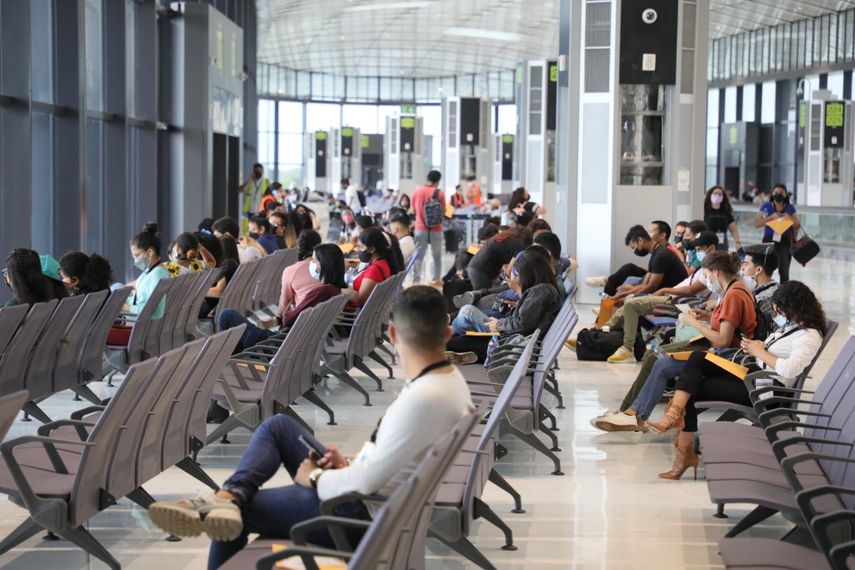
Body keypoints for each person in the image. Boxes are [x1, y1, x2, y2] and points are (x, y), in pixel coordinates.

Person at [148, 286, 473, 569]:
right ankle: (229, 493)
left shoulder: (421, 399)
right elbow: (395, 457)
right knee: (278, 427)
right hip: (374, 498)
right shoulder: (448, 383)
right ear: (446, 334)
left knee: (238, 513)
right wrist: (349, 463)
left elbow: (369, 481)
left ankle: (229, 499)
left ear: (392, 335)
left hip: (357, 515)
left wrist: (316, 477)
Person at [646, 281, 825, 480]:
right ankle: (675, 419)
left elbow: (790, 369)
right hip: (754, 375)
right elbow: (774, 353)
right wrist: (758, 347)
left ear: (793, 308)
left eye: (779, 310)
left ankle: (682, 448)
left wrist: (760, 351)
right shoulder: (793, 327)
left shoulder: (809, 336)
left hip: (765, 390)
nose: (777, 314)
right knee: (697, 359)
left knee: (691, 388)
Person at [591, 250, 757, 433]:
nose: (707, 279)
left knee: (663, 365)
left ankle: (635, 415)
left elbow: (724, 340)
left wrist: (694, 323)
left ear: (716, 272)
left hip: (727, 358)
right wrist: (708, 317)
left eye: (707, 275)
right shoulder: (736, 290)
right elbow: (731, 326)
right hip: (724, 353)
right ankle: (633, 413)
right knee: (659, 360)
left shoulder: (733, 295)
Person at [598, 231, 719, 363]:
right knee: (629, 304)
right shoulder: (702, 268)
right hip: (674, 298)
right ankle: (602, 332)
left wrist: (664, 290)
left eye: (699, 249)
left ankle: (625, 347)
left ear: (711, 248)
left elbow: (690, 290)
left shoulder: (712, 270)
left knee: (631, 304)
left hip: (678, 301)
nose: (697, 252)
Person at [218, 242, 346, 353]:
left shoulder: (320, 292)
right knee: (234, 326)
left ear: (323, 264)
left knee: (227, 315)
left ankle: (226, 361)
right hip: (295, 344)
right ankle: (232, 357)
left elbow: (287, 320)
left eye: (313, 260)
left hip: (281, 345)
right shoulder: (334, 290)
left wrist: (288, 311)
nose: (310, 264)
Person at [446, 248, 561, 364]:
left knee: (464, 318)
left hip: (507, 342)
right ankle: (456, 342)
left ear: (527, 274)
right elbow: (526, 320)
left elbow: (522, 324)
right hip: (509, 337)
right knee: (463, 326)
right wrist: (517, 306)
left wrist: (498, 324)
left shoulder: (540, 292)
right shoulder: (543, 290)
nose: (514, 278)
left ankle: (452, 338)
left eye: (516, 274)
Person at [107, 223, 172, 346]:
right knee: (117, 287)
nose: (135, 260)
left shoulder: (156, 275)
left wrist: (123, 306)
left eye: (137, 255)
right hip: (143, 326)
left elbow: (150, 310)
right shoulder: (154, 271)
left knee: (96, 335)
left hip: (139, 330)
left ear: (149, 253)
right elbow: (140, 288)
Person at [595, 225, 688, 300]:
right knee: (623, 295)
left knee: (628, 300)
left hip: (675, 296)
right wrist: (625, 293)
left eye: (634, 247)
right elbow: (645, 285)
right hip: (664, 292)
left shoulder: (661, 255)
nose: (635, 251)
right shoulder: (655, 254)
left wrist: (626, 295)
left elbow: (651, 287)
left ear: (640, 241)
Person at [348, 227, 403, 307]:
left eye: (361, 247)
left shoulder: (374, 270)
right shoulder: (383, 263)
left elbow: (360, 299)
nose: (359, 250)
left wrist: (341, 290)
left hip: (353, 311)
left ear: (372, 249)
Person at [755, 183, 799, 283]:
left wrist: (789, 218)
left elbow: (797, 225)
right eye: (776, 192)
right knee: (765, 269)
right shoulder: (766, 207)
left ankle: (784, 290)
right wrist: (771, 218)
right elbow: (757, 224)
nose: (778, 194)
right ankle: (764, 288)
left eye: (781, 193)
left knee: (784, 271)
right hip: (768, 240)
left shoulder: (790, 208)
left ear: (785, 194)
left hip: (785, 242)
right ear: (772, 193)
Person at [465, 228, 530, 291]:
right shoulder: (520, 245)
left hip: (475, 267)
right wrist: (509, 281)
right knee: (482, 295)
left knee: (481, 293)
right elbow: (510, 267)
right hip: (481, 271)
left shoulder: (506, 238)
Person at [410, 170, 445, 284]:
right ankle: (436, 279)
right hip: (436, 229)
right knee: (437, 256)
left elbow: (413, 210)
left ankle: (416, 280)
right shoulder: (439, 193)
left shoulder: (417, 192)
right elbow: (443, 211)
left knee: (419, 256)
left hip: (420, 228)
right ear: (438, 181)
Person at [200, 236, 241, 318]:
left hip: (212, 305)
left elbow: (218, 291)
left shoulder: (227, 267)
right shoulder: (234, 264)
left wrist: (197, 291)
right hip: (225, 305)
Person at [703, 185, 741, 252]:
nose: (717, 195)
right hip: (706, 240)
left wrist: (737, 242)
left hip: (722, 242)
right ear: (710, 195)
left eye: (720, 194)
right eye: (715, 193)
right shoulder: (704, 210)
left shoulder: (726, 212)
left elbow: (733, 228)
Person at [240, 164, 270, 234]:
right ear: (253, 171)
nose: (258, 173)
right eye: (256, 171)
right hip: (251, 210)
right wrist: (250, 179)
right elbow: (241, 190)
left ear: (263, 171)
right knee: (251, 229)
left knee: (260, 229)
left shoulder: (266, 182)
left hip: (261, 210)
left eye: (260, 171)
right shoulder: (250, 182)